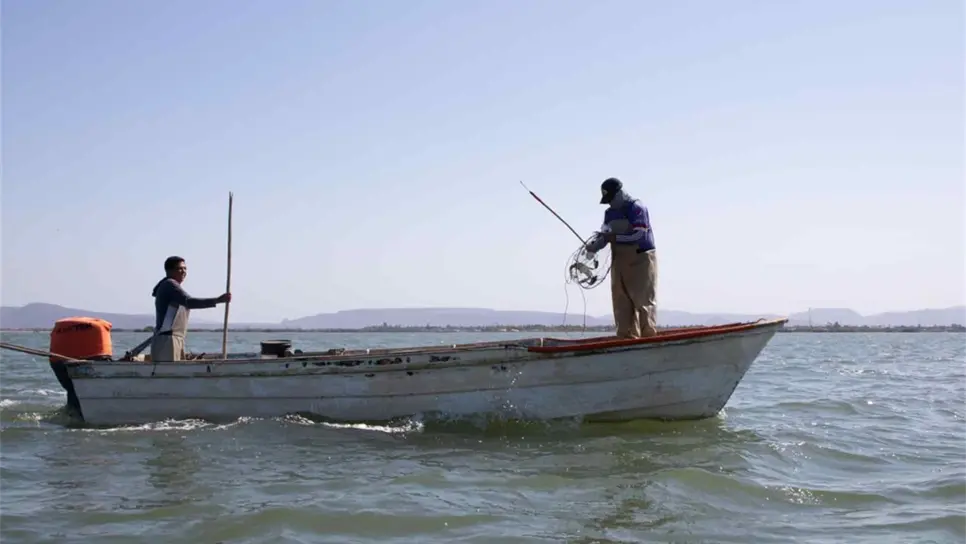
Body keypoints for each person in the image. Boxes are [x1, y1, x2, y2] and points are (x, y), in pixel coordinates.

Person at [584, 177, 658, 338]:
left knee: (643, 301)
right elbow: (605, 235)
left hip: (641, 259)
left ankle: (649, 336)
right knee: (621, 302)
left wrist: (615, 238)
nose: (610, 203)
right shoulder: (609, 213)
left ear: (620, 193)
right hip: (619, 260)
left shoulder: (636, 207)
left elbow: (640, 234)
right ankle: (626, 337)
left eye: (611, 199)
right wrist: (593, 247)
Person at [150, 256, 231, 361]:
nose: (184, 272)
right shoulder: (170, 285)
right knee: (170, 372)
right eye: (180, 268)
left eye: (185, 268)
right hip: (167, 340)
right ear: (169, 270)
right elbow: (189, 302)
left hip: (176, 339)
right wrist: (217, 300)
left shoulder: (173, 286)